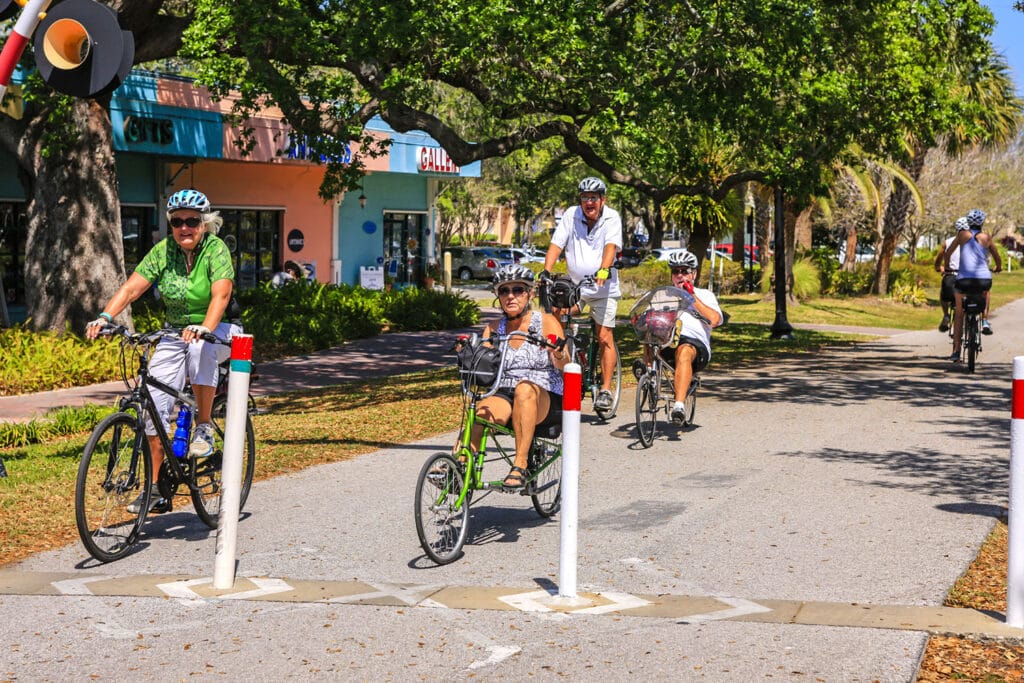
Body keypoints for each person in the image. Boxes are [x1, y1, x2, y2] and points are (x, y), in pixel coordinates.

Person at [86, 189, 239, 513]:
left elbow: (220, 296)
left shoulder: (216, 249)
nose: (185, 228)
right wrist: (104, 317)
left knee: (199, 349)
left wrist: (205, 328)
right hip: (174, 333)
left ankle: (204, 426)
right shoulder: (163, 251)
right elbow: (131, 288)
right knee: (151, 408)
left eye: (192, 221)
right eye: (178, 222)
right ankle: (156, 488)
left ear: (205, 223)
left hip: (219, 330)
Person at [463, 264, 569, 489]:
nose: (511, 296)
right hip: (504, 392)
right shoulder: (493, 329)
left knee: (524, 389)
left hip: (544, 394)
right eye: (504, 291)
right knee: (481, 409)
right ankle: (457, 465)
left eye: (518, 290)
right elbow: (484, 370)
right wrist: (468, 355)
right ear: (498, 296)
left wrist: (557, 352)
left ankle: (520, 464)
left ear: (530, 293)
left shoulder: (546, 321)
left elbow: (565, 363)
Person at [542, 176, 622, 411]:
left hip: (602, 288)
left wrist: (605, 269)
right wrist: (546, 271)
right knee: (554, 319)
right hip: (575, 287)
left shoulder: (612, 217)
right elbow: (557, 244)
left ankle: (606, 390)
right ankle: (558, 375)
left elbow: (611, 246)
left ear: (602, 199)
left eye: (593, 197)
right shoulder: (571, 214)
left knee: (604, 336)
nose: (589, 202)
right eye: (585, 197)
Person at [638, 250, 723, 424]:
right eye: (676, 272)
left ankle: (678, 406)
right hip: (665, 340)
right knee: (650, 331)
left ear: (694, 273)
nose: (680, 276)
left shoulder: (705, 295)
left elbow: (714, 319)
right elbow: (646, 317)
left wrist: (691, 296)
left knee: (683, 351)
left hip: (693, 344)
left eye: (685, 271)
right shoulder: (661, 295)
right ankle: (648, 373)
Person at [943, 208, 1002, 362]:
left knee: (959, 314)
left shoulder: (962, 235)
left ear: (968, 222)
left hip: (964, 280)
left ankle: (956, 351)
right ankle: (984, 320)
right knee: (985, 291)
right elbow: (997, 257)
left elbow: (948, 253)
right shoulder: (987, 238)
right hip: (983, 279)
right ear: (982, 222)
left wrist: (948, 267)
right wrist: (998, 268)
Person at [934, 217, 967, 333]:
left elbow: (939, 259)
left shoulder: (948, 242)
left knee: (944, 295)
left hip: (951, 276)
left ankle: (946, 315)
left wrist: (939, 268)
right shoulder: (974, 242)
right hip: (969, 278)